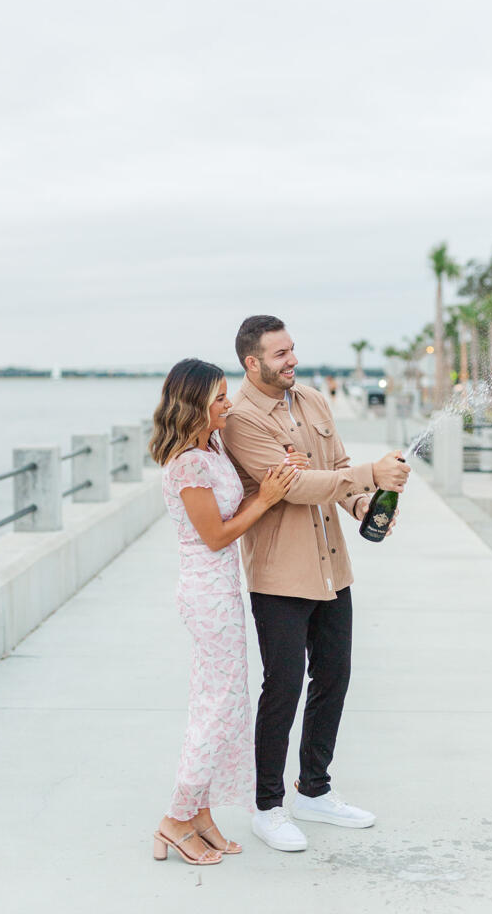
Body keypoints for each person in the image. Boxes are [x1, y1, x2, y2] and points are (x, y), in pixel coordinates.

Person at [221, 316, 411, 852]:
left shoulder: (312, 401)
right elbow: (296, 486)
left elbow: (339, 469)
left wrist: (362, 504)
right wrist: (371, 476)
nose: (292, 361)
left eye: (292, 350)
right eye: (279, 354)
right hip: (280, 573)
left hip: (333, 566)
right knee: (282, 686)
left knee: (334, 676)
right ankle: (267, 805)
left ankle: (314, 790)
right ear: (251, 362)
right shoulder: (239, 421)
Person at [149, 358, 303, 866]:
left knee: (220, 705)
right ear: (193, 404)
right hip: (206, 595)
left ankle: (200, 812)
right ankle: (175, 818)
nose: (228, 404)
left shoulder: (211, 447)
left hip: (223, 593)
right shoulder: (187, 464)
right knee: (219, 708)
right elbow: (215, 536)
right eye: (218, 398)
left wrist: (278, 477)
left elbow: (237, 503)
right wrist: (267, 501)